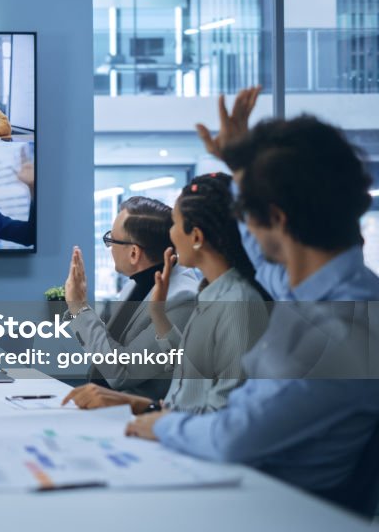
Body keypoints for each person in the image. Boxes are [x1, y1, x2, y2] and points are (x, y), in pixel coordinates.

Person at [125, 87, 379, 506]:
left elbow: (233, 437)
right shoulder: (323, 287)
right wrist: (242, 166)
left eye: (246, 212)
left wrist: (159, 424)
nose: (240, 223)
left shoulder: (340, 332)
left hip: (270, 508)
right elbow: (264, 259)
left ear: (276, 219)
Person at [65, 174, 270, 414]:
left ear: (195, 237)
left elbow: (221, 412)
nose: (168, 236)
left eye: (174, 224)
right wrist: (160, 318)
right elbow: (184, 386)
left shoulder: (229, 301)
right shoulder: (206, 293)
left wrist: (79, 308)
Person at [63, 196, 200, 401]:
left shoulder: (182, 298)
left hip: (138, 417)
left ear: (134, 253)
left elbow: (122, 371)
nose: (109, 247)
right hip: (101, 405)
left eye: (111, 240)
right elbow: (107, 350)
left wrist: (79, 308)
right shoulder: (133, 284)